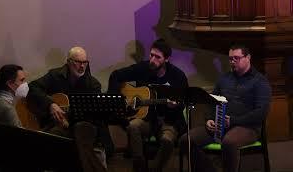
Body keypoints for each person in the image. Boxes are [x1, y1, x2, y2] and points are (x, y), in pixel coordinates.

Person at [180, 45, 271, 172]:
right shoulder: (224, 78)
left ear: (248, 58)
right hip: (220, 126)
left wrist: (233, 121)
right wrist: (209, 119)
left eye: (236, 58)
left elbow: (261, 112)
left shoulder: (260, 81)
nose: (232, 62)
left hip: (247, 128)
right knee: (186, 140)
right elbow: (211, 102)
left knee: (229, 142)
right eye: (230, 59)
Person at [27, 46, 113, 172]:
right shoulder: (55, 75)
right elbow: (33, 87)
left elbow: (95, 115)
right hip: (61, 125)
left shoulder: (93, 84)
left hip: (85, 126)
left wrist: (72, 118)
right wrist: (50, 104)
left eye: (85, 62)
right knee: (48, 137)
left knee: (81, 129)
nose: (82, 66)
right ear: (68, 62)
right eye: (78, 62)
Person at [108, 39, 189, 172]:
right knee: (133, 126)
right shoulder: (143, 68)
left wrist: (175, 106)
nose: (152, 60)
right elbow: (115, 76)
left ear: (167, 59)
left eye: (157, 57)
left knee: (167, 140)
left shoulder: (178, 76)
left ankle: (154, 169)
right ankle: (139, 167)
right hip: (147, 119)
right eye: (151, 55)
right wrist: (118, 100)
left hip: (169, 121)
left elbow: (183, 102)